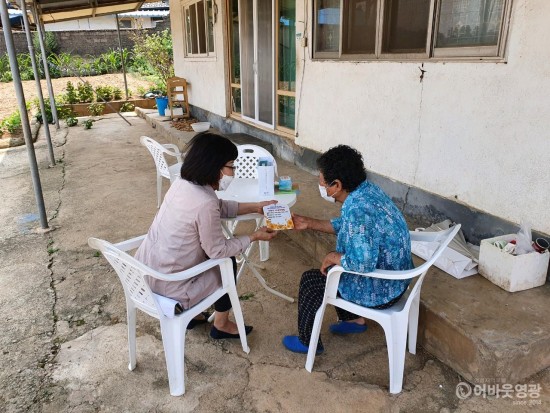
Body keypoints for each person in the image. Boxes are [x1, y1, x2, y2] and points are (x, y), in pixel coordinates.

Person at [135, 131, 277, 339]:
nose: (233, 172)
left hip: (147, 275)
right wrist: (253, 236)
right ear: (215, 167)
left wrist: (256, 207)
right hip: (172, 289)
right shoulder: (205, 203)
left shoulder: (182, 184)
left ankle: (195, 317)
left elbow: (218, 206)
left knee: (214, 254)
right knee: (227, 261)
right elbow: (217, 251)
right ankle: (221, 324)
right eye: (231, 166)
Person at [282, 145, 413, 354]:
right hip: (397, 280)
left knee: (313, 279)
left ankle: (308, 342)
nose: (322, 187)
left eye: (323, 183)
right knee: (336, 272)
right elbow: (348, 226)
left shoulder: (357, 210)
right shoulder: (367, 191)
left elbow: (363, 264)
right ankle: (353, 320)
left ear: (337, 185)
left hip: (381, 291)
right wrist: (309, 222)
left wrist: (334, 256)